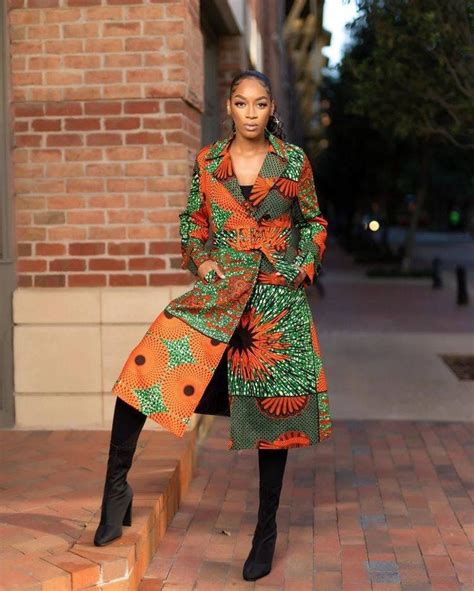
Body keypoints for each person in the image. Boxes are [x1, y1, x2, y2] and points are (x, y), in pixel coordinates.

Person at [94, 69, 333, 582]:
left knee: (273, 418)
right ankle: (116, 489)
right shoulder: (208, 161)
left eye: (261, 104)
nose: (251, 112)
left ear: (271, 109)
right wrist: (200, 261)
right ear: (229, 106)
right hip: (219, 296)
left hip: (274, 305)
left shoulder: (293, 162)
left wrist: (300, 268)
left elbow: (314, 221)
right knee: (144, 371)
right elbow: (192, 223)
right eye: (242, 103)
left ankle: (265, 531)